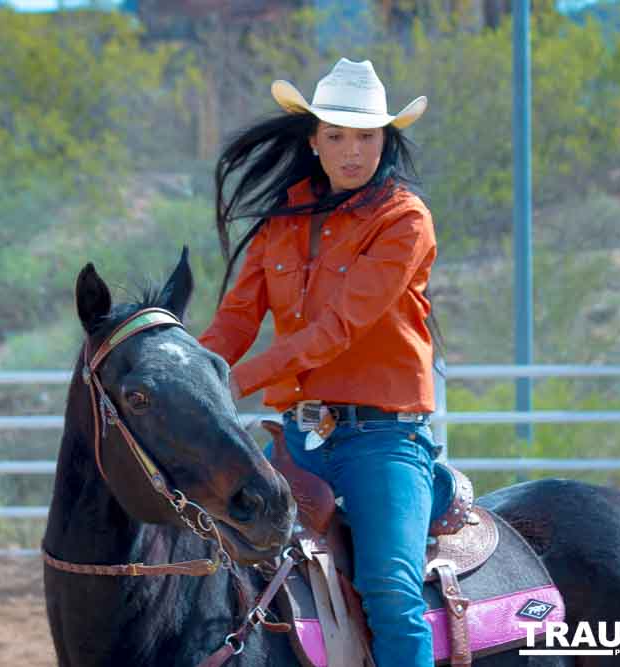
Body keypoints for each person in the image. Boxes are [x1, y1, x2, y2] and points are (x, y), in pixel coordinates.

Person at [198, 57, 442, 667]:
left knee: (391, 591)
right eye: (336, 136)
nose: (351, 151)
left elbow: (337, 330)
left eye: (366, 137)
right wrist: (191, 375)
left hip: (383, 438)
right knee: (216, 573)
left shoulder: (403, 219)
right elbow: (236, 319)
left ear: (385, 141)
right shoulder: (281, 221)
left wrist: (229, 385)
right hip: (297, 437)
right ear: (313, 141)